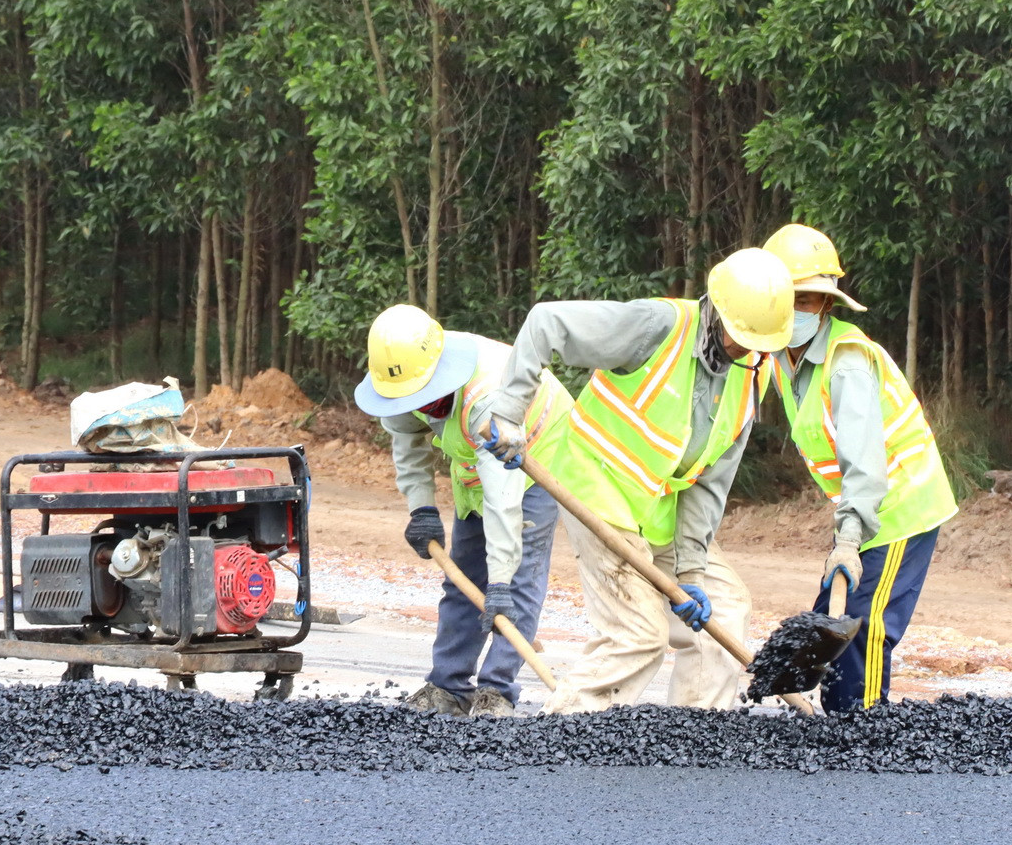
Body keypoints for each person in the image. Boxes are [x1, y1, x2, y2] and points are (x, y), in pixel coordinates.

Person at [482, 249, 794, 713]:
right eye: (738, 336)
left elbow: (709, 482)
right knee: (638, 636)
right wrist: (508, 412)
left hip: (658, 513)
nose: (745, 349)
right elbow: (545, 323)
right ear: (715, 309)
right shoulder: (656, 326)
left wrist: (691, 573)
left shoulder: (753, 374)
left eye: (757, 342)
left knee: (725, 609)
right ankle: (560, 735)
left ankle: (693, 738)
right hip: (595, 491)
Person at [760, 223, 959, 712]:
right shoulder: (781, 357)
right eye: (790, 300)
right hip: (862, 506)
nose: (798, 311)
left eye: (808, 301)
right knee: (835, 612)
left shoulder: (845, 362)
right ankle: (831, 713)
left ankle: (863, 729)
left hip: (898, 504)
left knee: (867, 622)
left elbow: (866, 463)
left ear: (826, 305)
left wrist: (848, 540)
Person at [353, 304, 571, 717]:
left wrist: (501, 579)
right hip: (474, 461)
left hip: (538, 455)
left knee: (516, 583)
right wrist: (421, 510)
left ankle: (497, 691)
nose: (417, 403)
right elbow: (408, 443)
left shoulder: (486, 396)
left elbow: (504, 497)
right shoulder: (402, 381)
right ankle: (448, 687)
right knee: (463, 576)